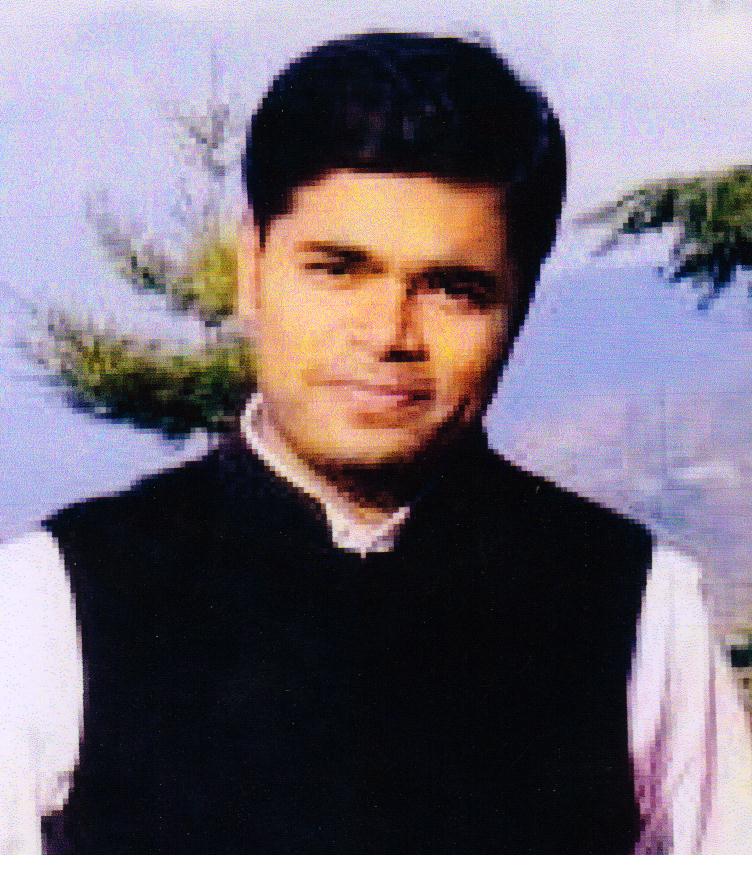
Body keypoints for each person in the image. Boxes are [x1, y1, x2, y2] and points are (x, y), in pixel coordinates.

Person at [1, 31, 751, 855]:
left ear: (520, 304)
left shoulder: (638, 608)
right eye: (337, 269)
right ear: (252, 268)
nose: (389, 333)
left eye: (452, 289)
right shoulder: (52, 604)